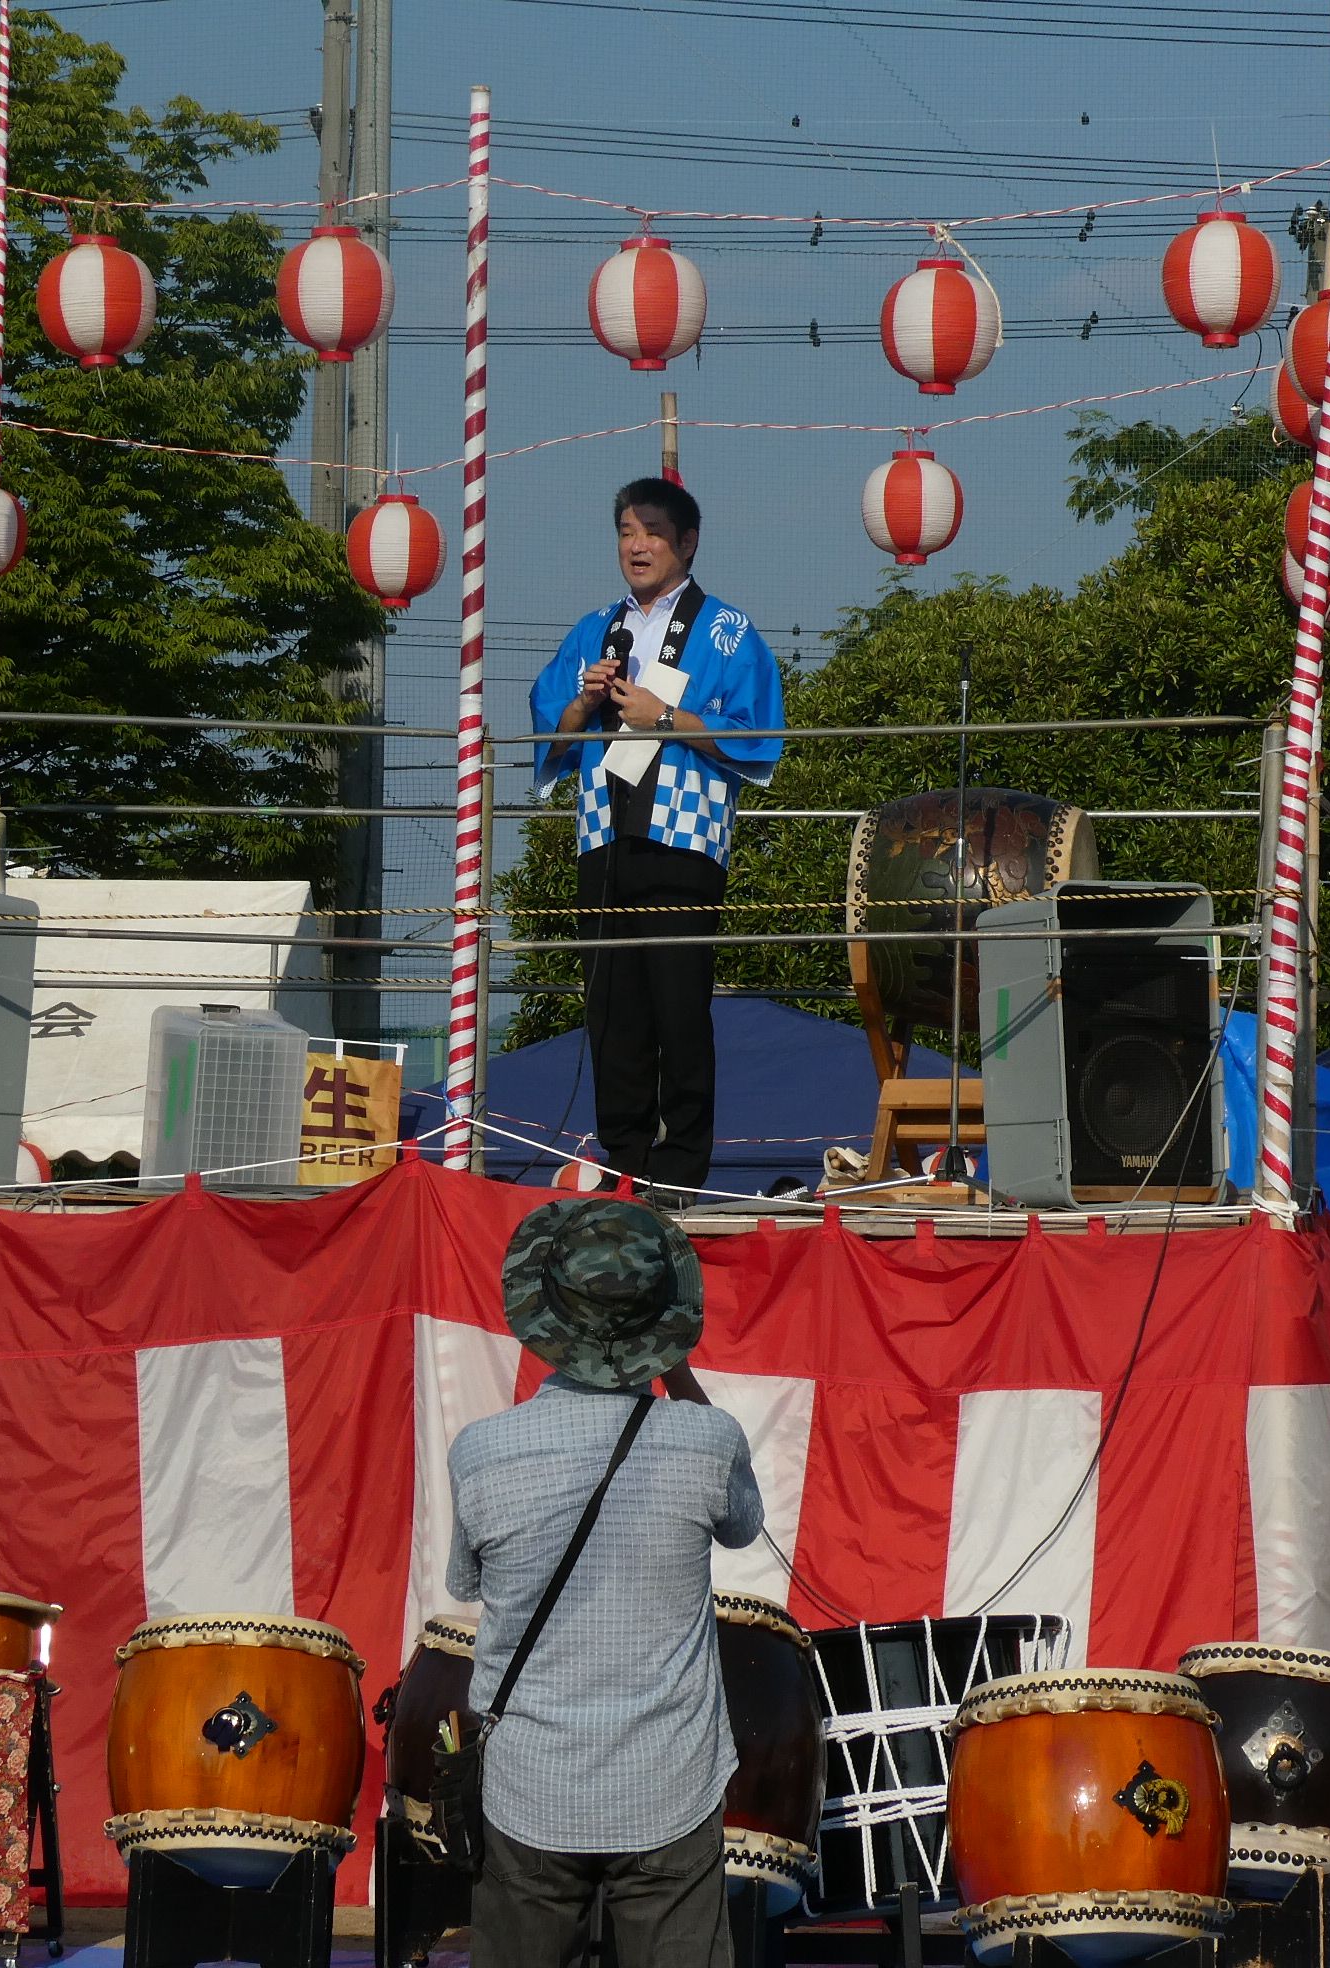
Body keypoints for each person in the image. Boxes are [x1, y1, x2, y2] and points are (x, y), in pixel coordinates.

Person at [448, 1198, 762, 1968]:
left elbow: (466, 1581)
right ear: (666, 1320)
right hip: (669, 1779)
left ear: (544, 1314)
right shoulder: (707, 1438)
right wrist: (675, 1368)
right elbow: (743, 1526)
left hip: (531, 1783)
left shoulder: (481, 1452)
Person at [529, 480, 785, 1200]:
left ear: (688, 543)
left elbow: (759, 734)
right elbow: (550, 724)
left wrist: (664, 715)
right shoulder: (593, 628)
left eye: (653, 532)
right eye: (625, 532)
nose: (637, 546)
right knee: (613, 1013)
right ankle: (625, 1160)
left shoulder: (728, 630)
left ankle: (681, 1170)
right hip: (603, 836)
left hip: (684, 839)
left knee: (679, 1008)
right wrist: (583, 700)